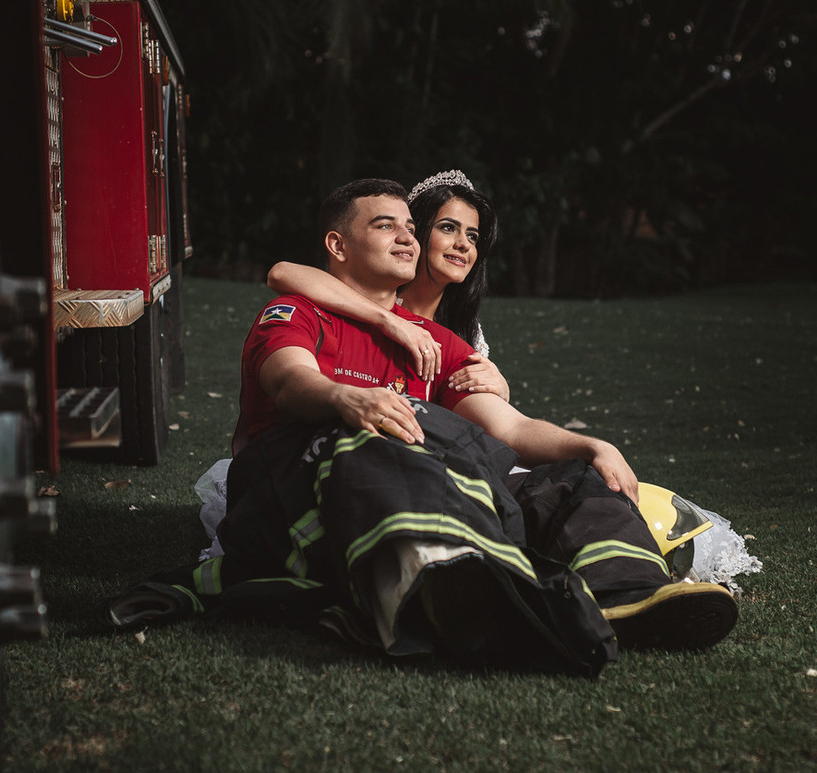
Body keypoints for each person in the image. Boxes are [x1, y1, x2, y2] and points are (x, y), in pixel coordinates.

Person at [111, 178, 737, 674]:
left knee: (565, 478)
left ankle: (626, 595)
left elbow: (511, 429)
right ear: (338, 247)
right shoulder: (296, 311)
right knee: (378, 437)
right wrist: (344, 397)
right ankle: (464, 588)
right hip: (301, 480)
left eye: (411, 227)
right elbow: (288, 380)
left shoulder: (437, 342)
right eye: (387, 225)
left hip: (413, 476)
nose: (408, 237)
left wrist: (591, 445)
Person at [266, 170, 507, 398]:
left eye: (473, 236)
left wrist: (499, 389)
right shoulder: (376, 292)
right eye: (448, 228)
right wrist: (389, 319)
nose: (464, 244)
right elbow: (281, 273)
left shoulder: (465, 329)